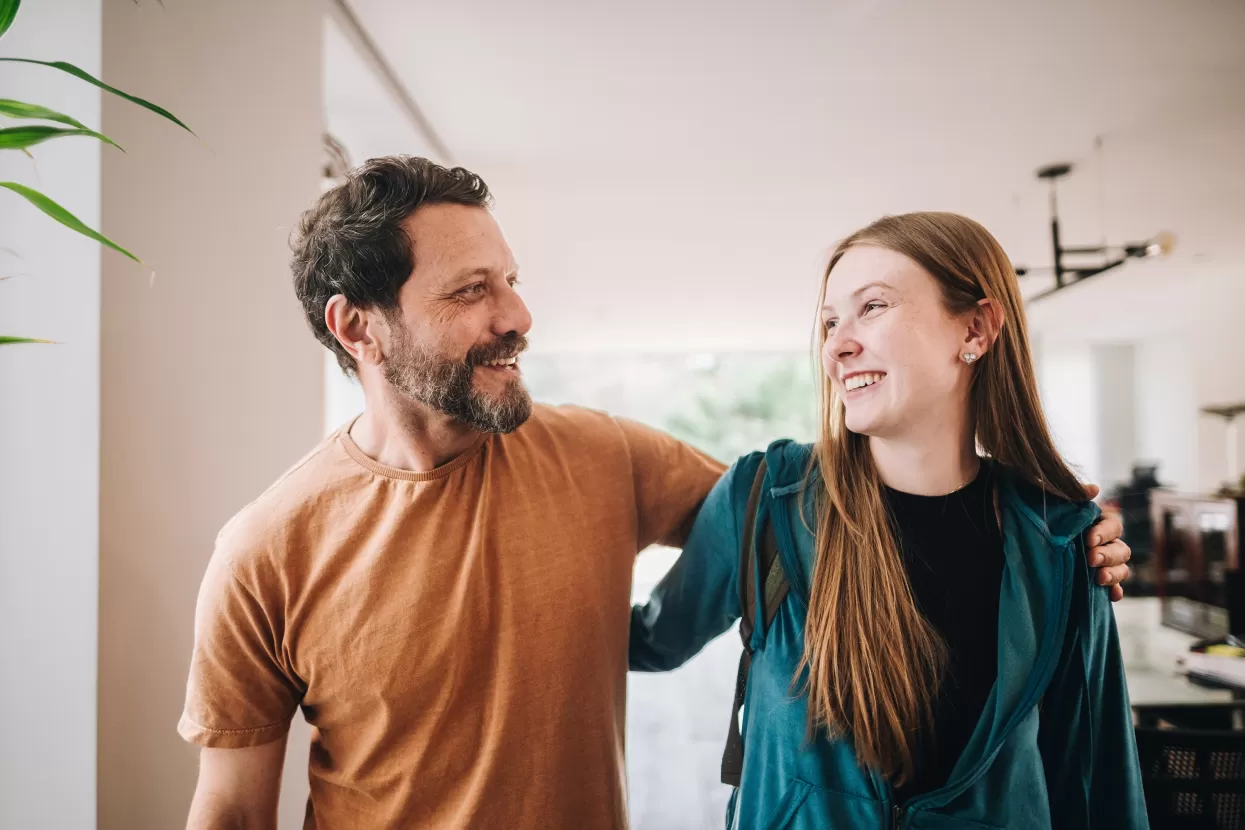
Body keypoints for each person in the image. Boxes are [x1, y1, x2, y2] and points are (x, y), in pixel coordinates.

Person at [180, 159, 1133, 830]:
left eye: (510, 280)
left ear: (978, 330)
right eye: (471, 290)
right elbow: (228, 811)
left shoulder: (606, 456)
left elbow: (811, 529)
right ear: (358, 328)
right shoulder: (266, 549)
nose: (516, 315)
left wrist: (1070, 533)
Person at [630, 211, 1148, 829]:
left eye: (872, 307)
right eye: (829, 322)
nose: (838, 344)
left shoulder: (1060, 538)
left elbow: (1095, 778)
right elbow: (648, 641)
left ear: (976, 330)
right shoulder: (768, 496)